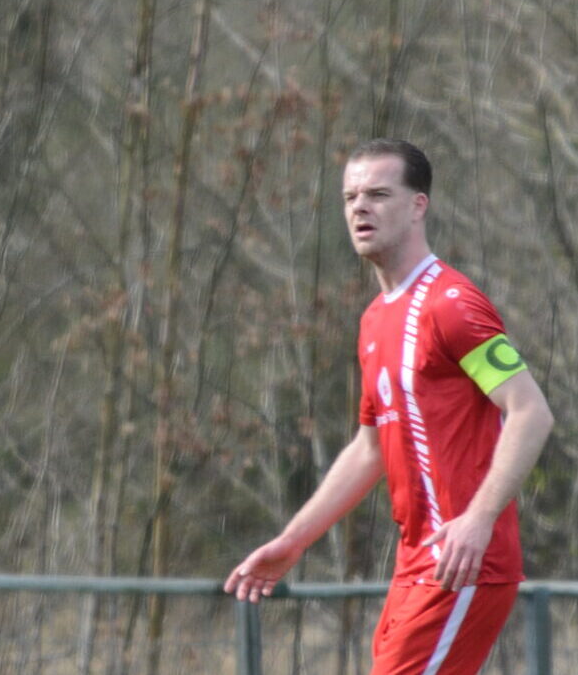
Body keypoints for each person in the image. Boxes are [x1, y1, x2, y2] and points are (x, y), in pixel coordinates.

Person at [225, 139, 553, 675]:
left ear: (418, 205)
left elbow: (530, 412)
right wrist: (293, 541)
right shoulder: (376, 318)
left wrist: (480, 517)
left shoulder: (452, 305)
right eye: (351, 196)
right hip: (413, 567)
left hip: (462, 562)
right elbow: (370, 448)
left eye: (378, 193)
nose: (360, 207)